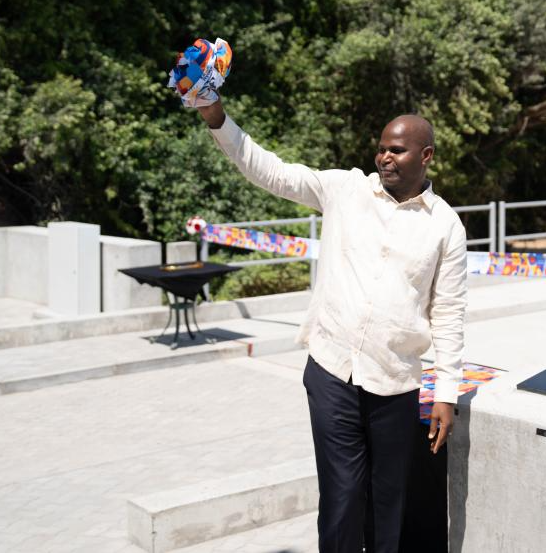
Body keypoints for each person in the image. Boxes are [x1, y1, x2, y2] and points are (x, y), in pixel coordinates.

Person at [196, 98, 467, 552]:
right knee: (341, 499)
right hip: (331, 372)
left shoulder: (446, 226)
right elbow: (272, 172)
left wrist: (446, 393)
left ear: (426, 156)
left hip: (395, 383)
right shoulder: (345, 189)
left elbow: (449, 312)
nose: (384, 157)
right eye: (381, 148)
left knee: (387, 504)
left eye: (397, 150)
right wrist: (216, 118)